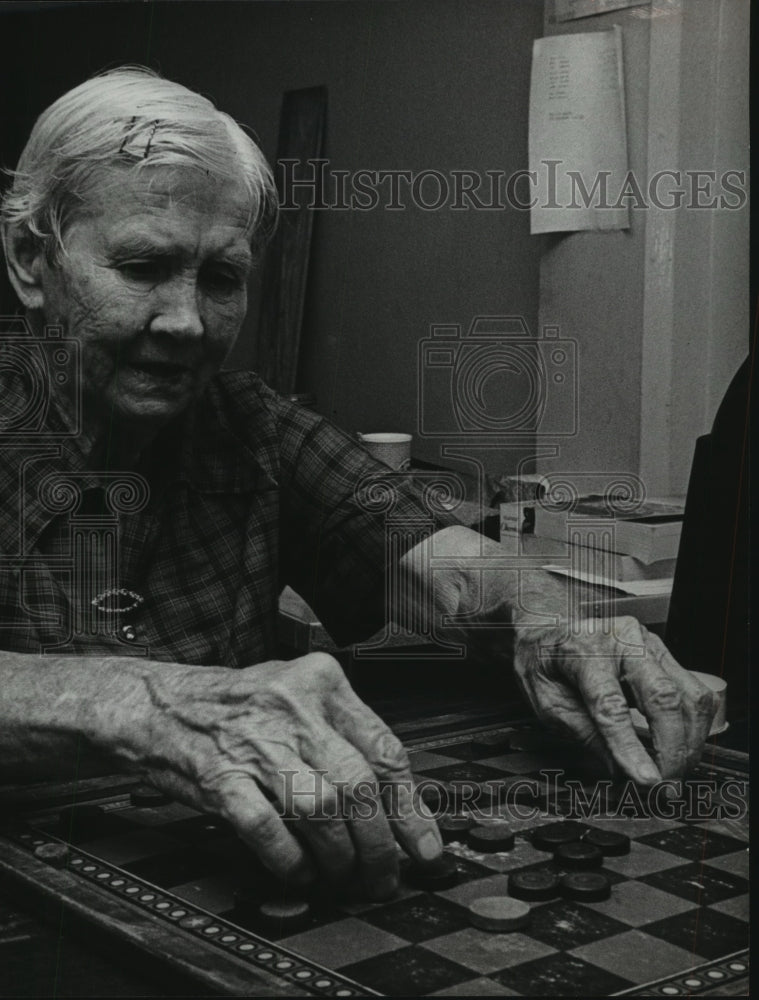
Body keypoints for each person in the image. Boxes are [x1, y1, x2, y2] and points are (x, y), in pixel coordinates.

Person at [0, 67, 716, 901]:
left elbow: (442, 559)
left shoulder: (248, 425)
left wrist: (546, 619)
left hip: (224, 889)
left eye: (222, 278)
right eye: (144, 265)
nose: (187, 320)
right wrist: (146, 706)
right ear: (29, 259)